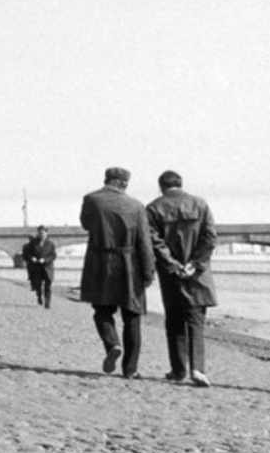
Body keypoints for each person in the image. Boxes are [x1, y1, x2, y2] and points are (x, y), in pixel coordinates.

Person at [79, 166, 155, 378]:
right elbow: (144, 242)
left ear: (106, 179)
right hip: (130, 263)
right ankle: (130, 369)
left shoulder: (91, 199)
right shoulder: (137, 206)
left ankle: (112, 343)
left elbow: (86, 224)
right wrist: (148, 271)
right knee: (132, 316)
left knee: (102, 310)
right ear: (124, 184)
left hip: (99, 262)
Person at [146, 170, 217, 387]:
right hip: (198, 274)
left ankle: (178, 370)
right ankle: (198, 368)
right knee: (196, 321)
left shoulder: (153, 208)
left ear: (161, 186)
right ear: (181, 184)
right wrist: (195, 263)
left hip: (171, 275)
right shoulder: (201, 204)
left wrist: (173, 264)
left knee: (174, 321)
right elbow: (210, 237)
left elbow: (154, 241)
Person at [20, 225, 57, 308]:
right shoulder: (33, 243)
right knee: (38, 285)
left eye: (43, 233)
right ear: (38, 233)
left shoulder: (51, 244)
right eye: (40, 233)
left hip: (47, 268)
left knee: (48, 285)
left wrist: (45, 260)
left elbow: (53, 255)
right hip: (36, 267)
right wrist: (31, 258)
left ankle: (47, 303)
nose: (41, 235)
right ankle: (39, 296)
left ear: (46, 233)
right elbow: (27, 254)